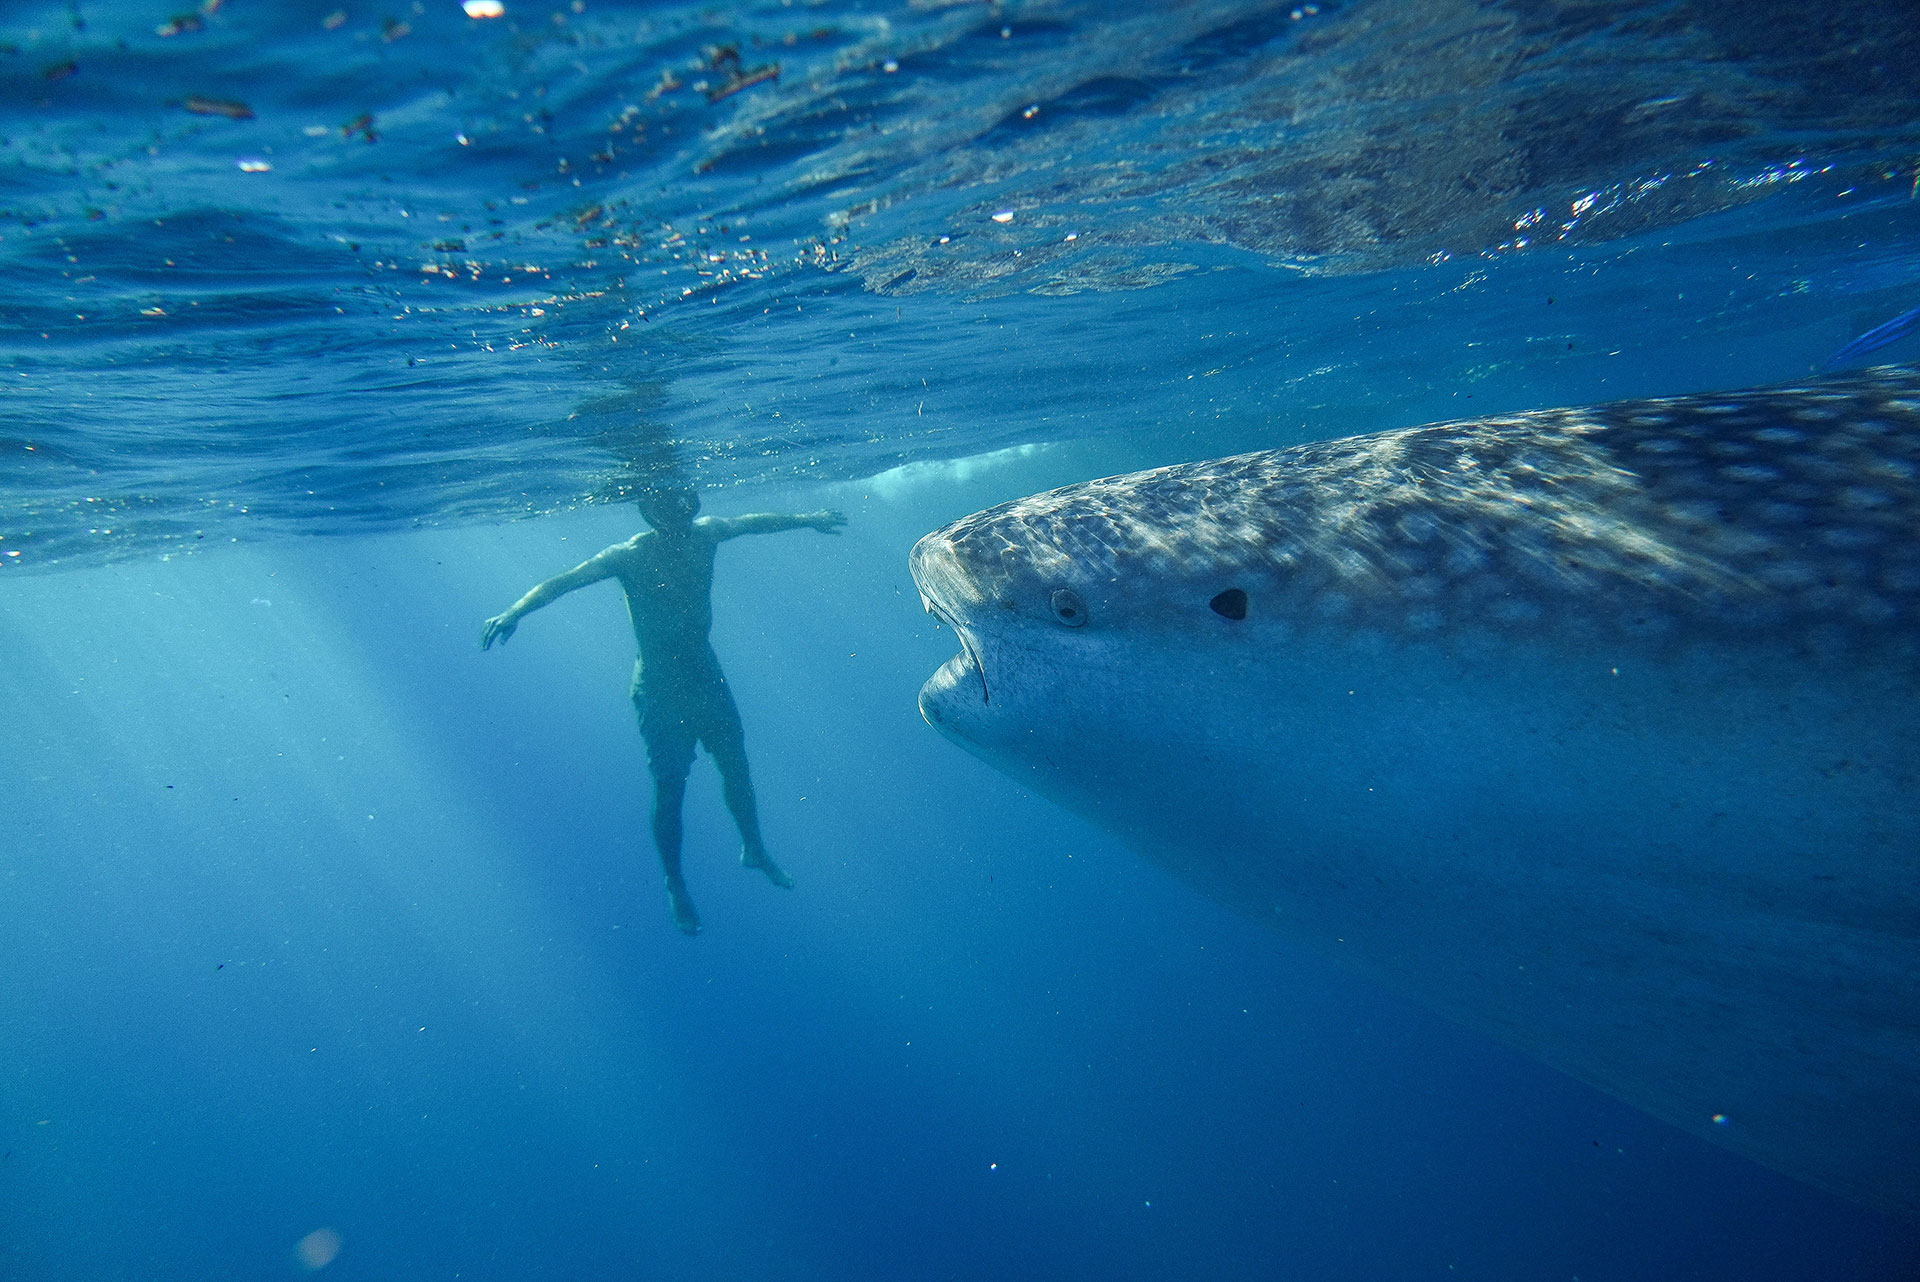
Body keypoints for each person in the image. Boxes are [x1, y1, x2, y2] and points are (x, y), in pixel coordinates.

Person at [481, 486, 846, 935]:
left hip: (704, 671)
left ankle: (754, 847)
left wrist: (808, 516)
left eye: (682, 503)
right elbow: (565, 581)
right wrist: (514, 611)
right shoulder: (629, 555)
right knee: (672, 785)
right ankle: (675, 881)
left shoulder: (706, 534)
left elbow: (755, 521)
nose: (676, 512)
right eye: (665, 505)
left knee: (735, 764)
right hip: (659, 684)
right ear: (648, 511)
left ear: (690, 505)